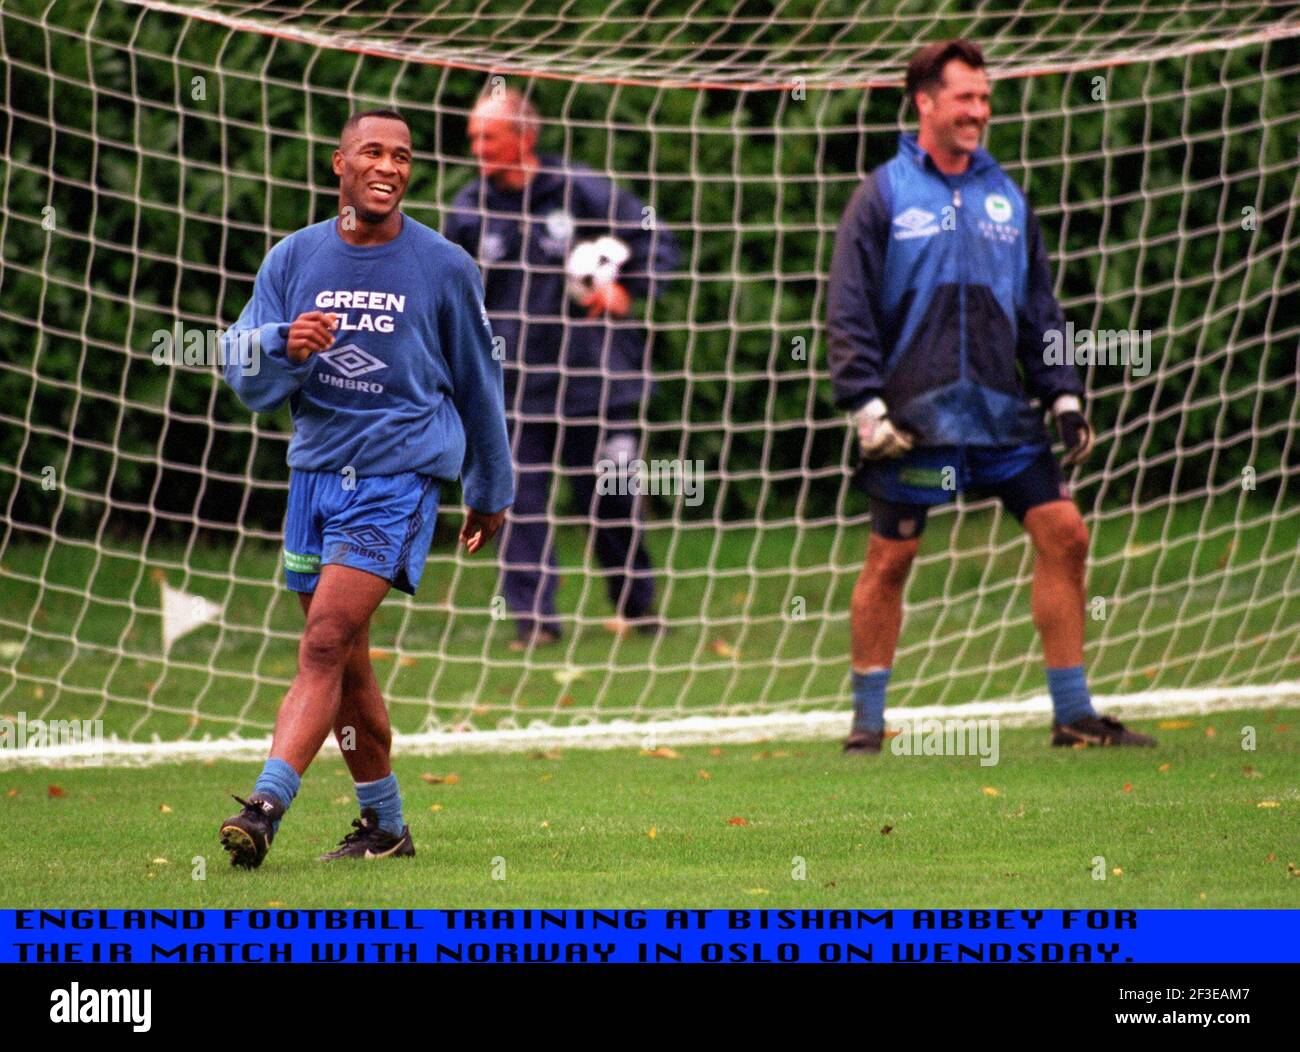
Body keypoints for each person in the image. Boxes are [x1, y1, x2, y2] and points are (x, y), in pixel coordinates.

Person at [827, 40, 1155, 754]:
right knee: (891, 559)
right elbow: (849, 308)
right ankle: (867, 724)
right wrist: (866, 405)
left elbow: (1039, 309)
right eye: (965, 97)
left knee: (1065, 533)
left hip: (1004, 418)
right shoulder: (881, 194)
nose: (979, 110)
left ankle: (1073, 715)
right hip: (914, 421)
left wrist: (1063, 394)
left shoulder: (1006, 195)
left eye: (984, 97)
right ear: (925, 101)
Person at [217, 110, 514, 867]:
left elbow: (481, 384)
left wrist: (491, 486)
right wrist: (283, 343)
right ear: (339, 164)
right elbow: (239, 369)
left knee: (321, 641)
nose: (389, 166)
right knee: (347, 666)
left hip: (397, 479)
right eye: (373, 152)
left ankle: (265, 806)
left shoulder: (444, 266)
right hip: (313, 479)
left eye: (403, 157)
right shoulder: (293, 258)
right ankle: (385, 827)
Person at [444, 88, 679, 650]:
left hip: (595, 381)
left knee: (614, 498)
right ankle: (536, 622)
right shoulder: (468, 208)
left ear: (524, 137)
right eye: (473, 137)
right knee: (516, 504)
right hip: (513, 386)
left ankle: (636, 606)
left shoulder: (583, 190)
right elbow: (450, 290)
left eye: (489, 137)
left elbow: (656, 239)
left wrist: (627, 289)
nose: (477, 147)